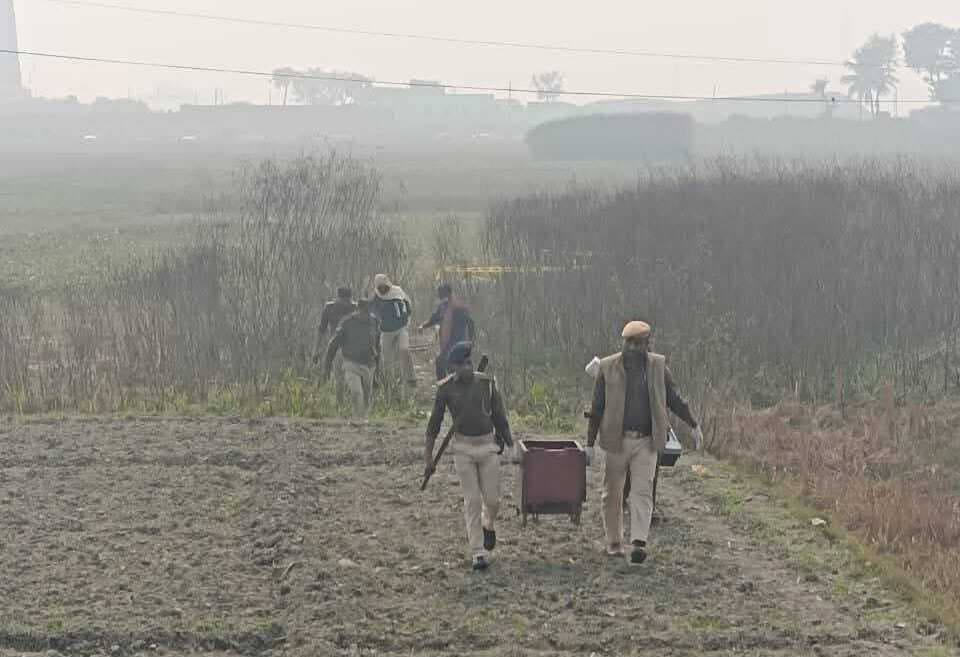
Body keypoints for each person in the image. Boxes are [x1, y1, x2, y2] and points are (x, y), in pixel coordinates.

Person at [585, 321, 703, 564]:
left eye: (638, 343)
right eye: (629, 343)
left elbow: (675, 400)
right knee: (613, 493)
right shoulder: (608, 368)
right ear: (624, 343)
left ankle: (639, 542)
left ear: (647, 344)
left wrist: (693, 425)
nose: (633, 348)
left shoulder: (659, 369)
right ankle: (614, 542)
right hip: (616, 440)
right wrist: (588, 444)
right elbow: (596, 409)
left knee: (642, 491)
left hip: (646, 441)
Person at [424, 342, 514, 571]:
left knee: (493, 500)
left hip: (487, 446)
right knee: (472, 500)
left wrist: (511, 446)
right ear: (452, 367)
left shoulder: (486, 383)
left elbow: (500, 417)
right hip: (463, 449)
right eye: (461, 364)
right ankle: (477, 551)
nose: (466, 367)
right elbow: (434, 425)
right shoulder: (445, 389)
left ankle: (488, 523)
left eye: (469, 363)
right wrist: (428, 458)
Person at [322, 298, 381, 418]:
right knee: (356, 392)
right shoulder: (347, 322)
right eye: (362, 311)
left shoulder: (374, 321)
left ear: (369, 311)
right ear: (357, 309)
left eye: (366, 311)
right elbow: (333, 344)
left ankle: (363, 419)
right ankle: (357, 419)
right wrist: (327, 367)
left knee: (366, 396)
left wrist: (377, 372)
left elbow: (377, 346)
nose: (363, 314)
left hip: (369, 365)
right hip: (351, 363)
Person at [419, 283, 476, 381]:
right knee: (448, 367)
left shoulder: (459, 307)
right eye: (439, 294)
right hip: (446, 343)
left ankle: (443, 387)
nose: (440, 296)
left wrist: (471, 340)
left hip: (457, 342)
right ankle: (448, 387)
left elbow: (470, 323)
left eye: (441, 294)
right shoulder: (442, 306)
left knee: (442, 363)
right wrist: (422, 326)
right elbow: (434, 319)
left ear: (449, 293)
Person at [370, 274, 416, 389]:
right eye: (379, 287)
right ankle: (389, 383)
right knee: (387, 359)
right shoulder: (376, 297)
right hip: (385, 331)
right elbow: (371, 311)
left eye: (384, 286)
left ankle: (411, 377)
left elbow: (408, 306)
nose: (382, 289)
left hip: (401, 328)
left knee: (404, 349)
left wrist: (406, 319)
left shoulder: (398, 291)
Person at [313, 287, 357, 404]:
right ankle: (338, 404)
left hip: (352, 346)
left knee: (351, 378)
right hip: (335, 346)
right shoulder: (329, 307)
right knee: (335, 376)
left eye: (346, 301)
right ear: (337, 298)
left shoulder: (356, 308)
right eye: (342, 301)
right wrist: (316, 350)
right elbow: (321, 330)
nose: (344, 304)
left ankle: (348, 403)